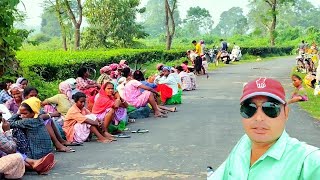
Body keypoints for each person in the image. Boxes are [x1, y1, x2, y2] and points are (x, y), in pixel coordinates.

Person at [210, 77, 320, 179]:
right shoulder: (244, 143)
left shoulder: (308, 161)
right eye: (249, 108)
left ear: (286, 113)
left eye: (270, 108)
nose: (258, 118)